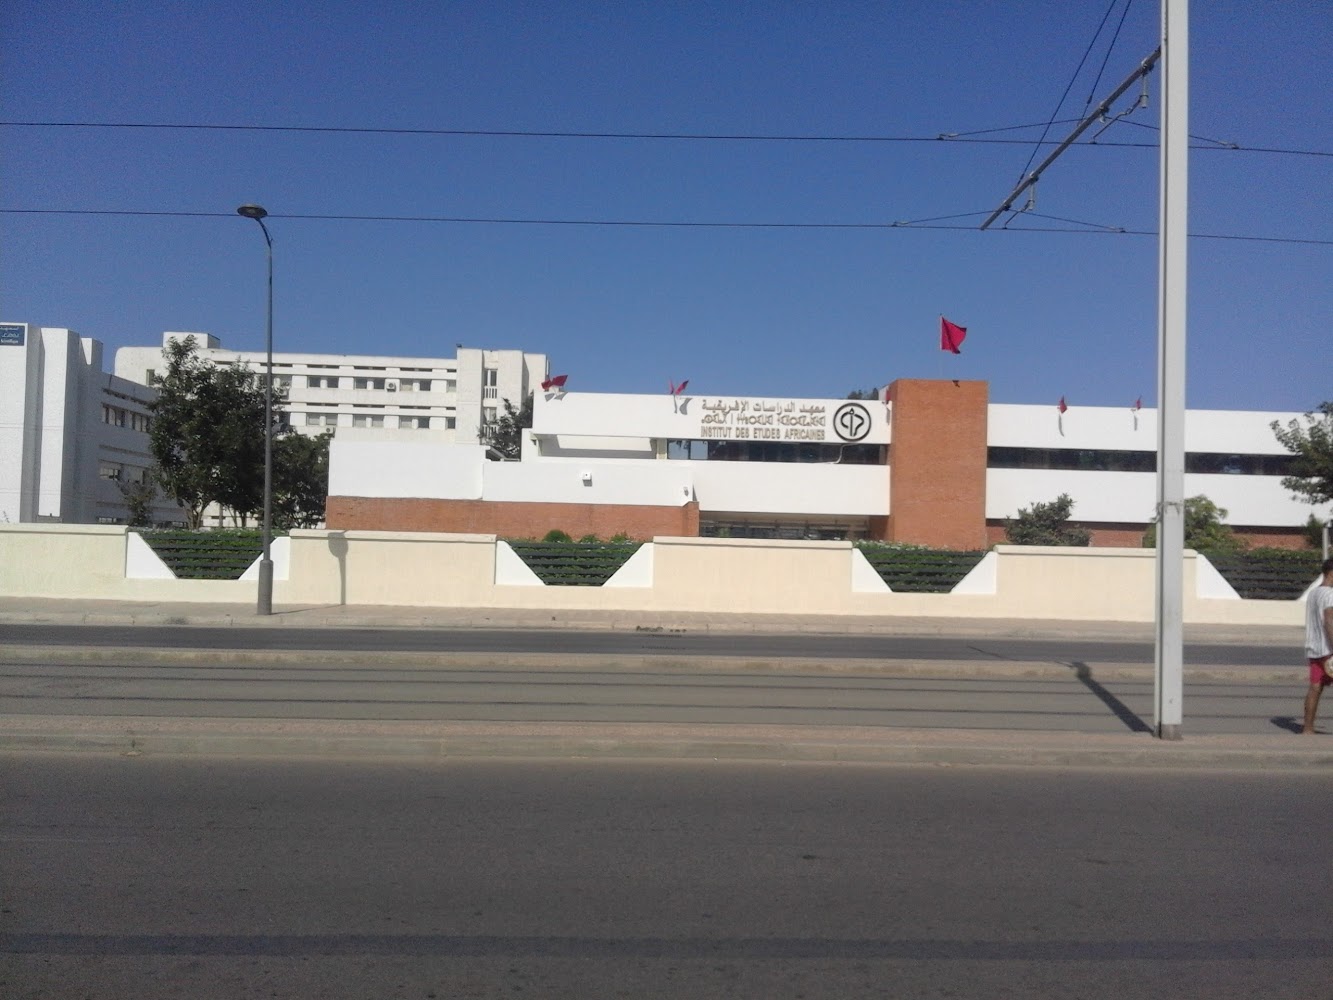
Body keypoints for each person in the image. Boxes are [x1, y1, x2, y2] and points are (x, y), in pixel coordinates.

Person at [1302, 556, 1333, 734]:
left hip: (1314, 648)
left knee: (1315, 688)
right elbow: (1329, 622)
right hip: (1328, 649)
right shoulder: (1330, 594)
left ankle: (1308, 729)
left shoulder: (1313, 593)